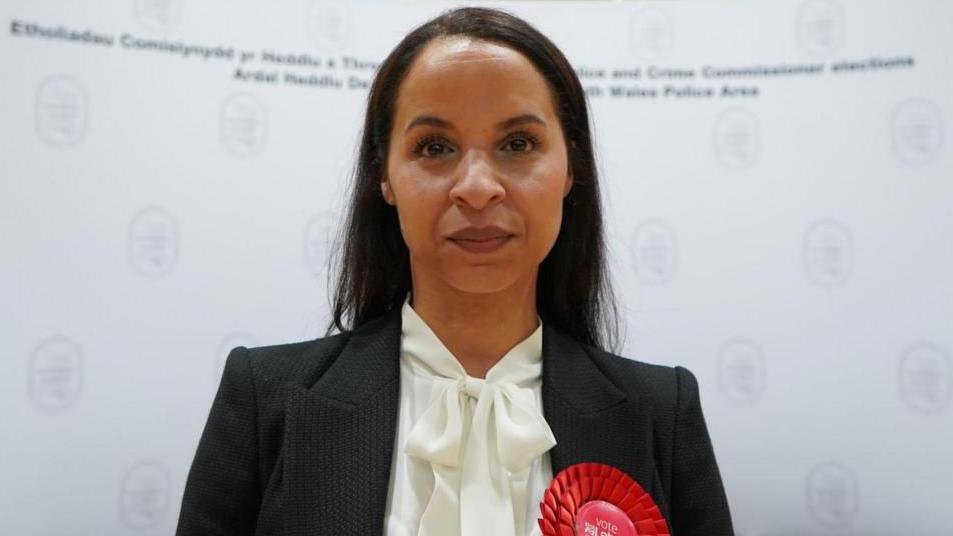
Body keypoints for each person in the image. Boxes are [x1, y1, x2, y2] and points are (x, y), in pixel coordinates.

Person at [176, 6, 733, 536]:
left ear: (570, 170)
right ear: (385, 178)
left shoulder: (663, 412)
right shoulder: (264, 402)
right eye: (435, 146)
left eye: (518, 143)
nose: (476, 186)